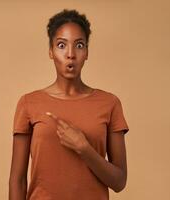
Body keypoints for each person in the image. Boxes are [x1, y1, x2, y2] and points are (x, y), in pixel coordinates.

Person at [9, 9, 129, 200]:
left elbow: (119, 182)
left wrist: (84, 148)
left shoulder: (109, 103)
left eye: (79, 45)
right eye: (61, 45)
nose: (70, 54)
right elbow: (17, 180)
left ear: (87, 52)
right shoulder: (29, 103)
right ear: (50, 51)